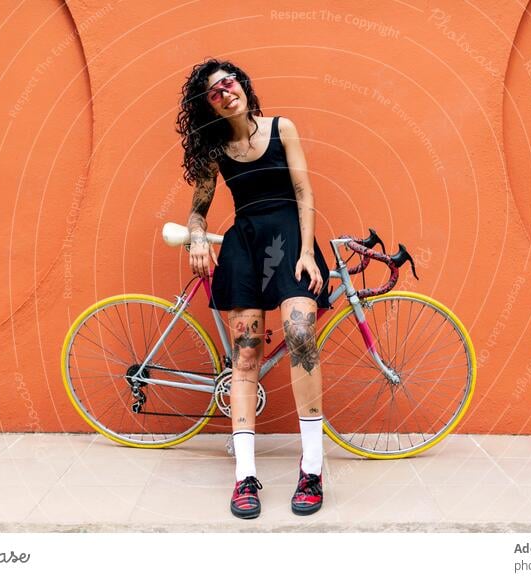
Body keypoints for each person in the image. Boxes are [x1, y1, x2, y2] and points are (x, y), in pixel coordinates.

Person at [175, 58, 331, 519]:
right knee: (245, 356)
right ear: (209, 106)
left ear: (243, 85)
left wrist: (306, 252)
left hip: (290, 241)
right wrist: (199, 237)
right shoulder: (214, 153)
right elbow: (197, 213)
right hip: (246, 246)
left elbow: (303, 193)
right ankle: (245, 475)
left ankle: (313, 469)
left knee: (302, 337)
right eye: (214, 91)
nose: (225, 92)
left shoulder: (283, 128)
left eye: (229, 82)